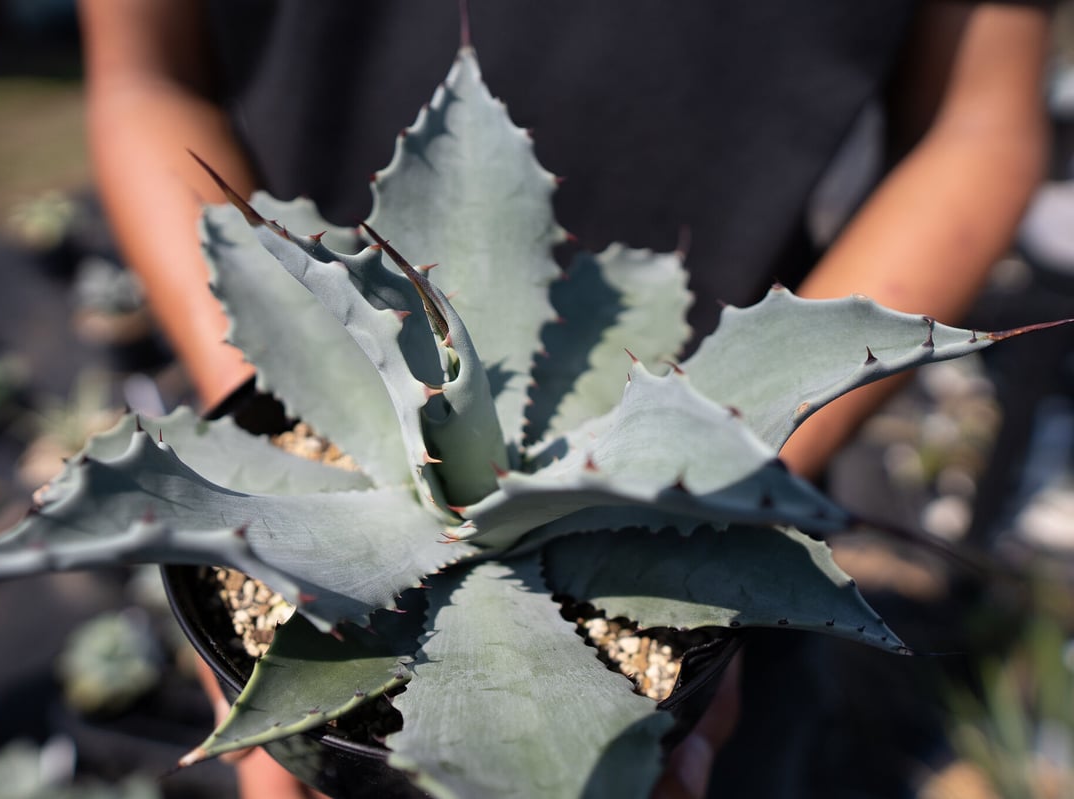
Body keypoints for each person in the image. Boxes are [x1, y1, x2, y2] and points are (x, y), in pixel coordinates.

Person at [77, 2, 1052, 797]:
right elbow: (143, 75)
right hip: (331, 393)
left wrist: (734, 488)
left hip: (701, 447)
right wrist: (274, 381)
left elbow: (978, 119)